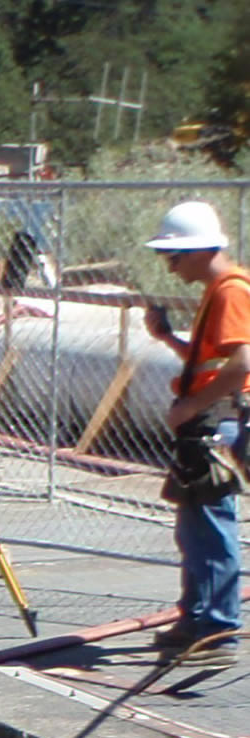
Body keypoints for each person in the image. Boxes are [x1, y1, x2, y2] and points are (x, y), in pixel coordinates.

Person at [144, 200, 250, 655]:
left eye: (175, 256)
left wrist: (190, 407)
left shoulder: (230, 291)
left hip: (217, 422)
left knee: (210, 523)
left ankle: (217, 625)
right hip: (210, 421)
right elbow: (211, 362)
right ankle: (198, 617)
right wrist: (168, 337)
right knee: (195, 526)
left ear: (200, 249)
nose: (171, 267)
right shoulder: (219, 291)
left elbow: (242, 362)